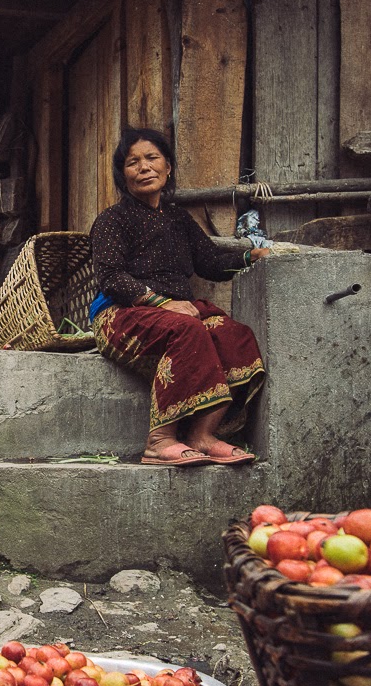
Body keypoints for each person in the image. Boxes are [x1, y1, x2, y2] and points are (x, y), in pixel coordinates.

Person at [88, 127, 268, 466]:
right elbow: (110, 278)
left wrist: (249, 257)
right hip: (122, 314)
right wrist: (161, 303)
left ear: (168, 167)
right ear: (122, 174)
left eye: (152, 158)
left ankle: (202, 435)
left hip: (173, 313)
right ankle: (160, 441)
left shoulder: (177, 219)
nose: (144, 167)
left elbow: (210, 262)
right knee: (187, 328)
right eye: (132, 162)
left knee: (232, 335)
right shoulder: (113, 221)